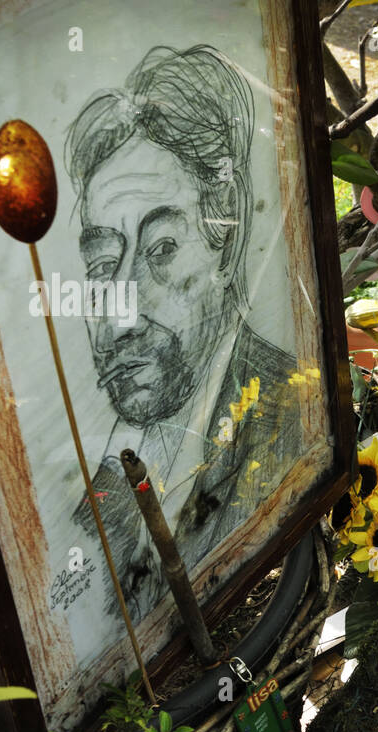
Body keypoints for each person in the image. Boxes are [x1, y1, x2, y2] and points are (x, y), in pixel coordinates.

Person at [63, 45, 299, 620]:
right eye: (102, 266)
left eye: (161, 249)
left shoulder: (295, 413)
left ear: (227, 236)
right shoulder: (94, 495)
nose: (120, 314)